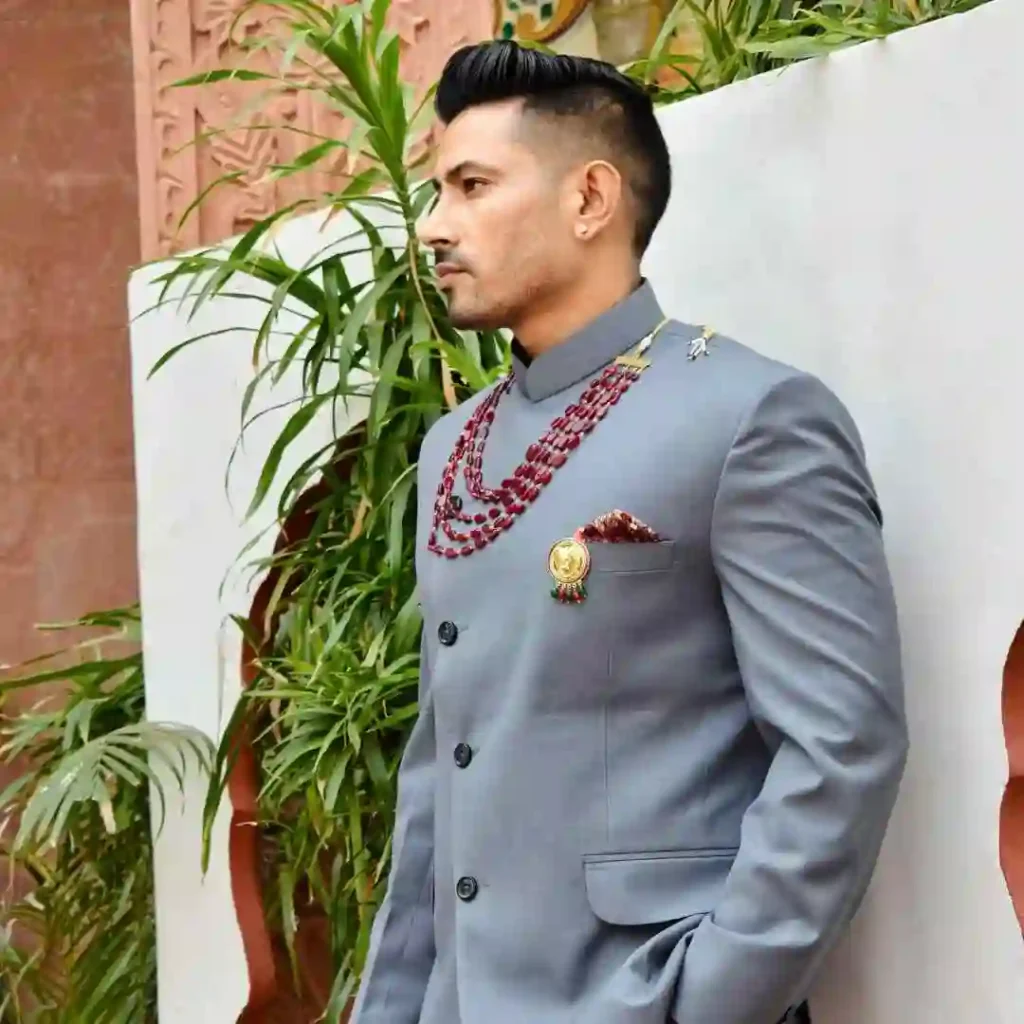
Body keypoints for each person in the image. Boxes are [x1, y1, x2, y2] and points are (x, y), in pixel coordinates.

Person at [351, 40, 907, 1024]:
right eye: (436, 191)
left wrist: (700, 1004)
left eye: (471, 185)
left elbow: (840, 752)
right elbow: (443, 768)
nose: (433, 226)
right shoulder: (454, 450)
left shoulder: (748, 417)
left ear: (590, 198)